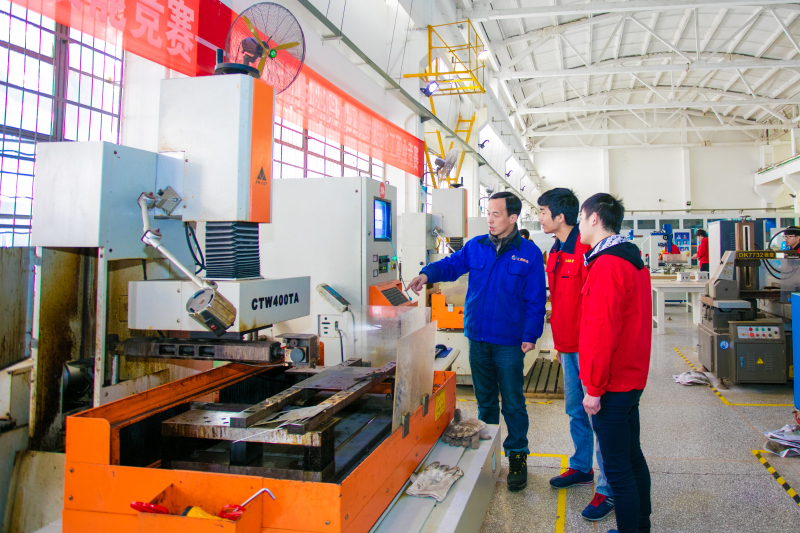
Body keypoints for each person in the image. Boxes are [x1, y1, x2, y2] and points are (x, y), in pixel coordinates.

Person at [408, 192, 546, 492]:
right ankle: (488, 454)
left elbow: (536, 299)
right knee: (485, 401)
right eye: (488, 213)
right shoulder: (476, 246)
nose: (490, 220)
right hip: (478, 337)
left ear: (513, 218)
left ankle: (517, 455)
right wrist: (426, 274)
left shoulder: (529, 254)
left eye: (496, 214)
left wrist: (530, 335)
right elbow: (450, 265)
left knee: (513, 402)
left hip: (509, 341)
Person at [537, 188, 614, 522]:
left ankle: (608, 488)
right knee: (574, 411)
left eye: (543, 212)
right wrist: (558, 344)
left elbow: (594, 307)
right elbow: (562, 303)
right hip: (567, 346)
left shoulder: (585, 250)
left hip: (587, 348)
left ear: (560, 216)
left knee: (599, 418)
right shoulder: (555, 251)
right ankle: (582, 466)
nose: (539, 217)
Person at [578, 193, 652, 533]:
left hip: (612, 384)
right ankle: (639, 527)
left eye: (581, 218)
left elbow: (601, 332)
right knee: (632, 458)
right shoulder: (631, 259)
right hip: (630, 378)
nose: (580, 225)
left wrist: (593, 388)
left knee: (618, 470)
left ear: (594, 218)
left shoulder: (607, 265)